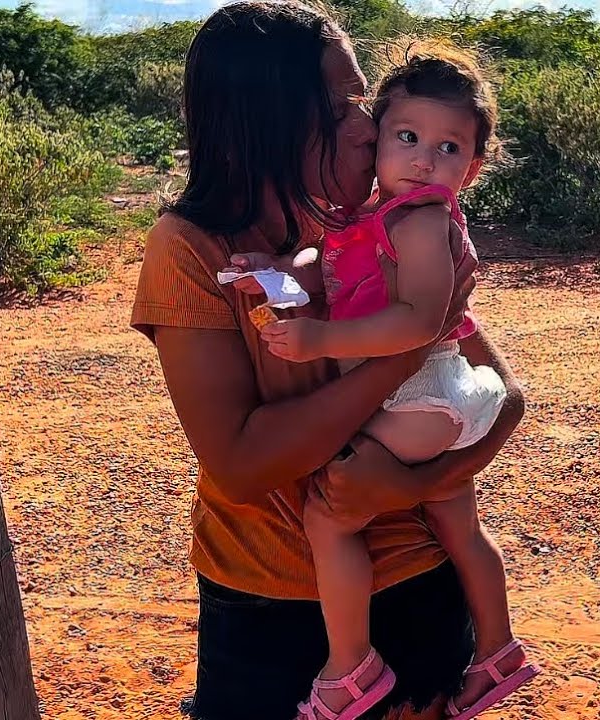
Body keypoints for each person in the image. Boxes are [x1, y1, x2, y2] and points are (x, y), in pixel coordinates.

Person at [128, 3, 526, 719]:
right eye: (341, 108)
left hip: (416, 581)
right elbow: (241, 463)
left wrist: (409, 484)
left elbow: (504, 397)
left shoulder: (378, 219)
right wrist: (404, 352)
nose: (367, 127)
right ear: (269, 120)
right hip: (270, 597)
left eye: (364, 102)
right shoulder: (190, 249)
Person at [225, 42, 537, 720]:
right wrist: (276, 274)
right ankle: (497, 652)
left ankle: (350, 668)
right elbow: (328, 276)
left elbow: (420, 320)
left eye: (448, 148)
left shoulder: (420, 218)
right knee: (458, 523)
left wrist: (319, 340)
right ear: (378, 139)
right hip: (440, 396)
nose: (424, 159)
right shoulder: (377, 216)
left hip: (417, 395)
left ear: (472, 168)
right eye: (407, 137)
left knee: (329, 518)